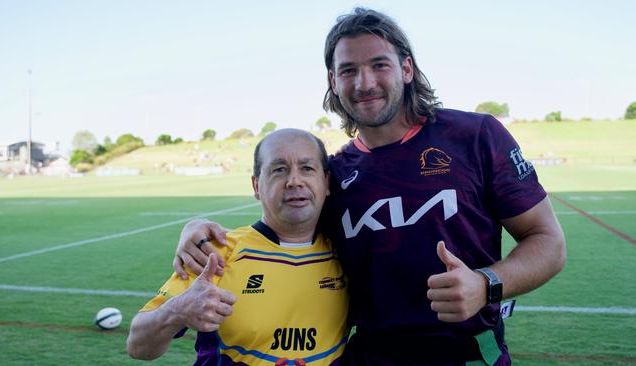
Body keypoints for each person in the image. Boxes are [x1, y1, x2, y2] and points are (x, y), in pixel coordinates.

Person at [173, 8, 566, 366]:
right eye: (348, 70)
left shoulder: (475, 136)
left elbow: (548, 241)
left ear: (406, 68)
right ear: (333, 80)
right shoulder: (334, 175)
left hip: (467, 353)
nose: (364, 83)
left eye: (379, 65)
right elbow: (279, 229)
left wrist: (486, 284)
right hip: (368, 356)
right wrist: (198, 228)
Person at [127, 129, 349, 366]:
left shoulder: (348, 252)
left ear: (325, 182)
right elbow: (138, 345)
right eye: (279, 170)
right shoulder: (217, 254)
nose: (294, 181)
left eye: (307, 168)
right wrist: (176, 311)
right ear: (256, 185)